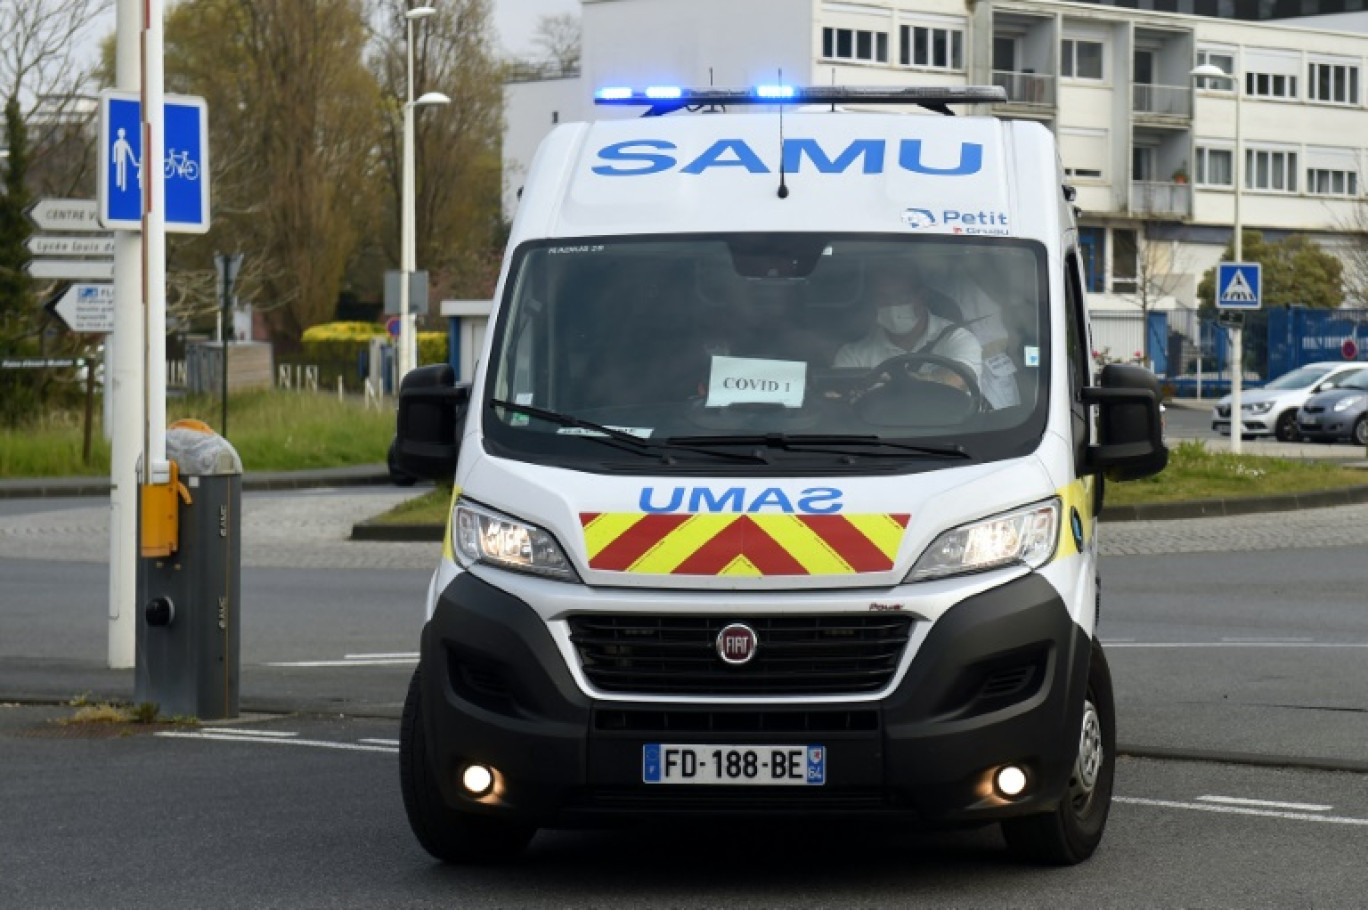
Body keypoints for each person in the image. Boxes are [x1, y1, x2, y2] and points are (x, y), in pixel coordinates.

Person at [834, 261, 983, 391]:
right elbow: (841, 401)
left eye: (901, 297)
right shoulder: (853, 355)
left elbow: (961, 379)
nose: (893, 305)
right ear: (872, 302)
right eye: (882, 298)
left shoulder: (957, 339)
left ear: (922, 297)